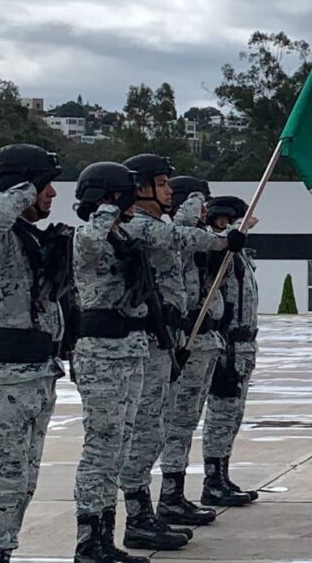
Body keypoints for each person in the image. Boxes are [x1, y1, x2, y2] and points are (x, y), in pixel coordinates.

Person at [117, 156, 239, 547]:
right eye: (162, 184)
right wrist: (220, 237)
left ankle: (157, 505)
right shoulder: (140, 226)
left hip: (169, 343)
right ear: (141, 189)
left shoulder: (161, 227)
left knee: (164, 428)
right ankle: (142, 514)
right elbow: (179, 237)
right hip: (150, 343)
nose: (168, 191)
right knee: (149, 430)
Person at [0, 144, 65, 562]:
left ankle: (2, 551)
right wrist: (26, 184)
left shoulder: (31, 238)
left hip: (37, 374)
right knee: (2, 481)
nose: (51, 194)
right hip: (4, 379)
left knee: (23, 482)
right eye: (46, 186)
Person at [70, 162, 156, 563]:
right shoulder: (92, 233)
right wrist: (107, 206)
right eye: (128, 193)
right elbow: (87, 242)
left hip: (128, 350)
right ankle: (89, 539)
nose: (134, 200)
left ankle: (105, 535)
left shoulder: (121, 236)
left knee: (117, 447)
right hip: (101, 353)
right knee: (101, 447)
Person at [158, 176, 229, 523]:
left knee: (187, 422)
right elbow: (187, 240)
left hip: (206, 341)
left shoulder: (199, 239)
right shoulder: (176, 236)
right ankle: (169, 495)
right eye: (200, 201)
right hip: (188, 340)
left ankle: (176, 492)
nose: (206, 209)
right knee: (177, 422)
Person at [201, 196, 260, 507]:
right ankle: (212, 478)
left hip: (245, 343)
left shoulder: (240, 255)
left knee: (234, 414)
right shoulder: (221, 254)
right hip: (228, 344)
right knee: (222, 413)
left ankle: (222, 472)